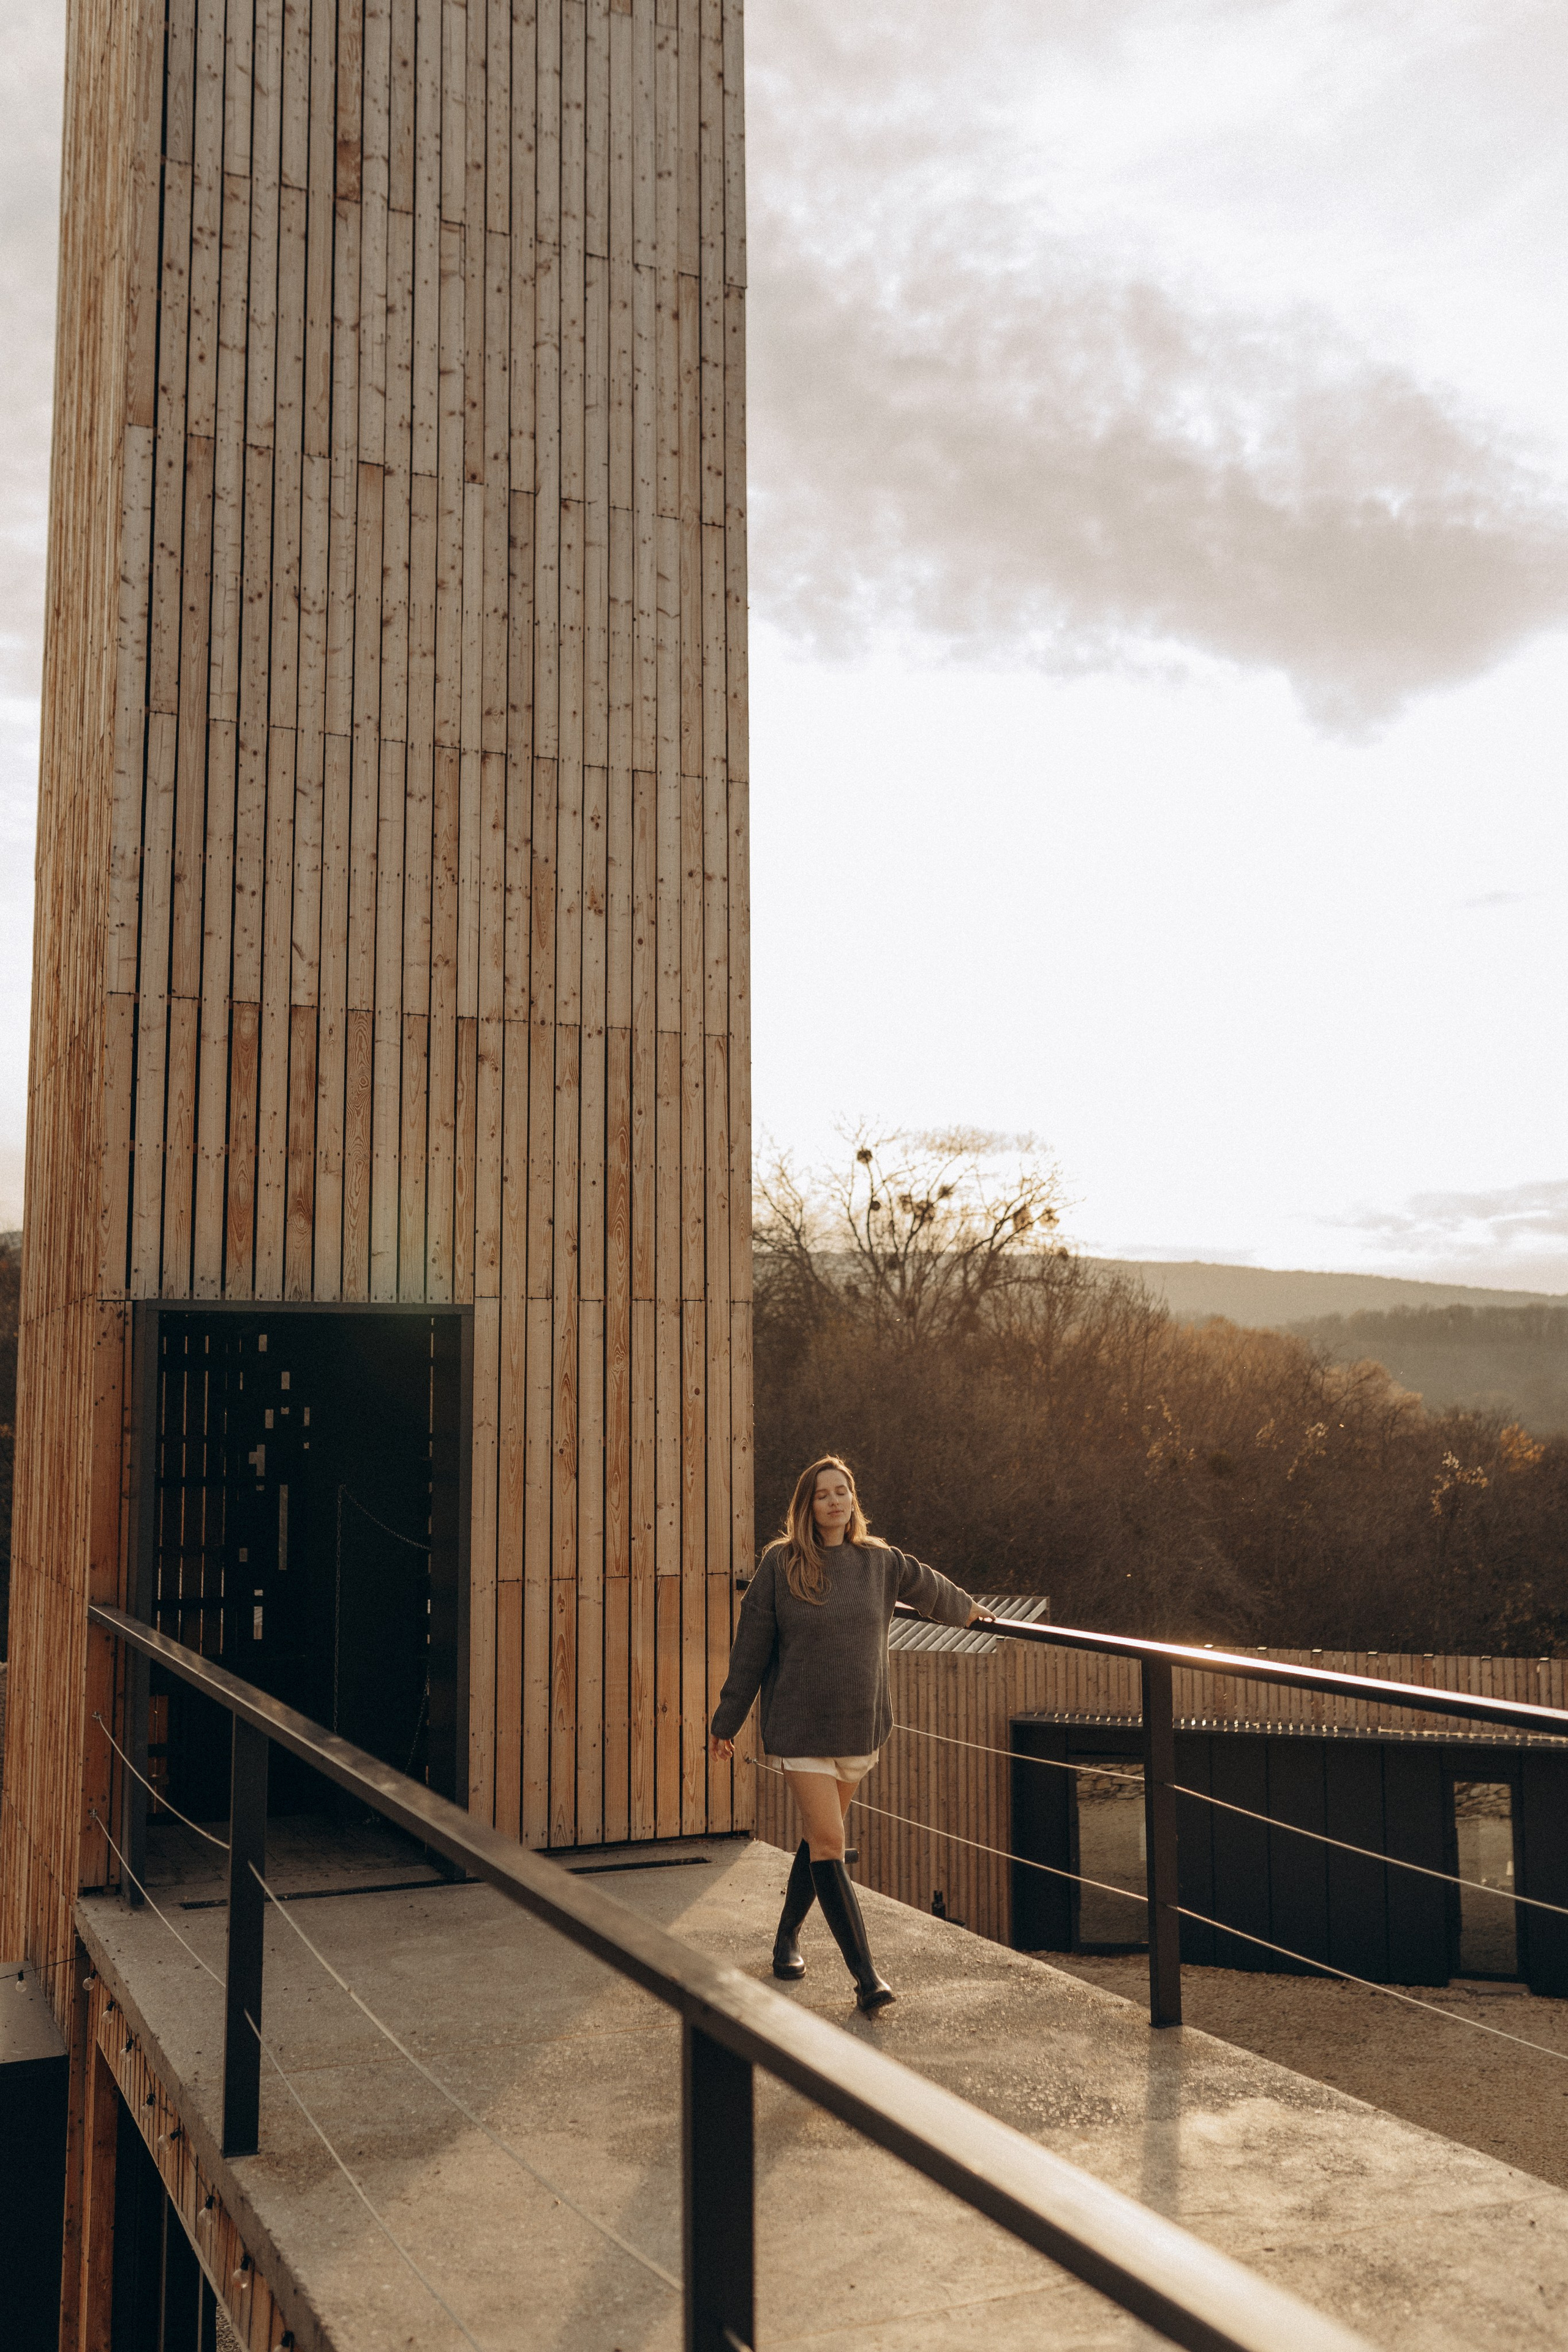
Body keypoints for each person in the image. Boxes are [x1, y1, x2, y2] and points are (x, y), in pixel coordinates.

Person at [709, 1454, 992, 2014]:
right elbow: (751, 1648)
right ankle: (867, 1980)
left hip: (860, 1726)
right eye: (822, 1494)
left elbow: (929, 1586)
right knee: (832, 1844)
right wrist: (727, 1720)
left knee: (821, 1841)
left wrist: (971, 1614)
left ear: (853, 1501)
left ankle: (786, 1938)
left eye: (843, 1491)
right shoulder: (780, 1565)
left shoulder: (878, 1561)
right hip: (800, 1724)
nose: (834, 1501)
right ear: (806, 1505)